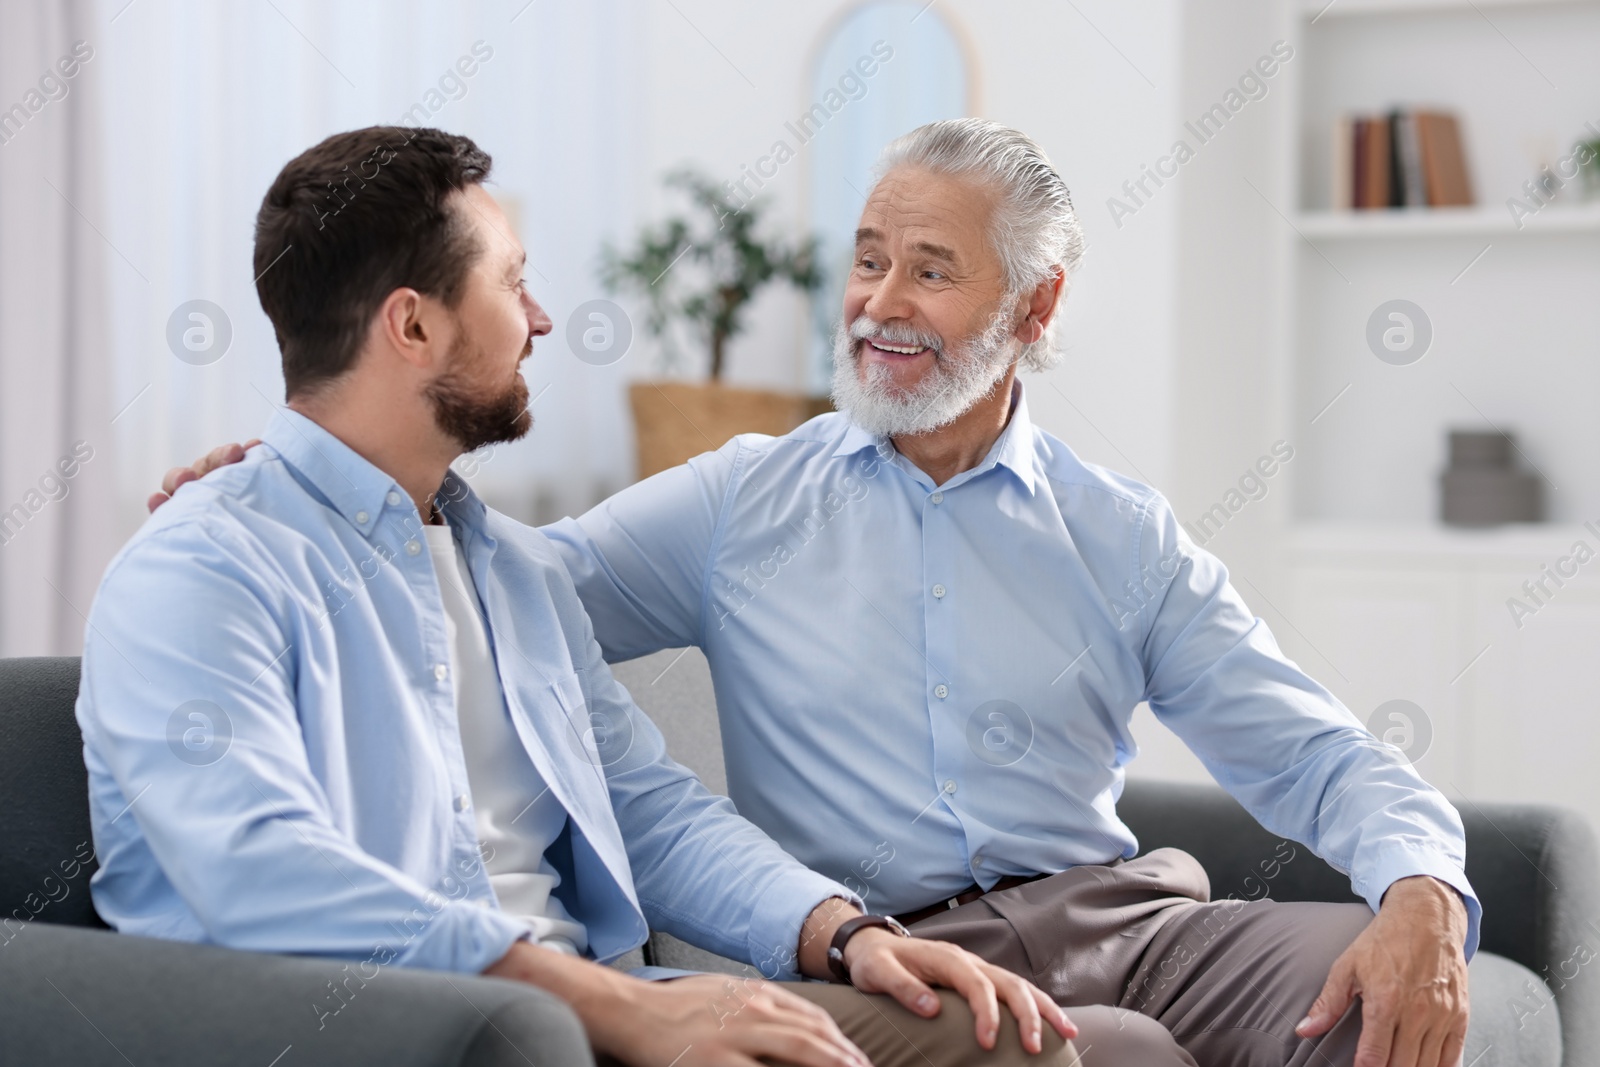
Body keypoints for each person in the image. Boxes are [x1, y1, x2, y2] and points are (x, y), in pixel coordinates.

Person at [159, 120, 1476, 1067]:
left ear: (1037, 302)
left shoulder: (1119, 531)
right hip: (900, 946)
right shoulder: (740, 501)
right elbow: (499, 589)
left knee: (1377, 996)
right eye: (866, 259)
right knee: (1103, 1053)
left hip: (1123, 912)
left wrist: (1419, 882)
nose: (881, 302)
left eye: (931, 269)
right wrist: (295, 477)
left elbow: (1303, 746)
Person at [85, 126, 1081, 1067]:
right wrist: (610, 1002)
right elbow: (259, 868)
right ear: (415, 322)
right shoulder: (203, 566)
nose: (543, 317)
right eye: (512, 282)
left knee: (987, 1034)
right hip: (392, 1031)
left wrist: (844, 931)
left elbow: (648, 809)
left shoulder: (513, 570)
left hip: (583, 1015)